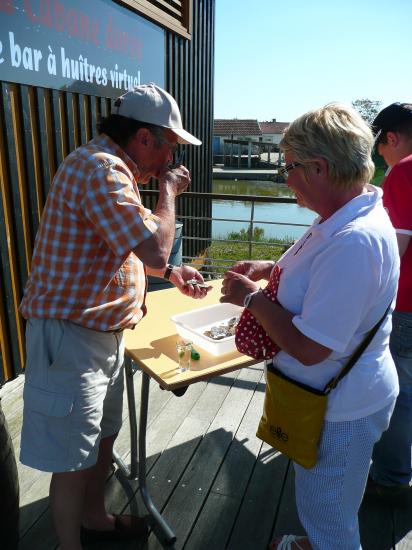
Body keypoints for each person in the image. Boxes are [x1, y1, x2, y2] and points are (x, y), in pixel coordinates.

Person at [19, 83, 210, 550]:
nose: (171, 158)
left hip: (101, 334)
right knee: (72, 455)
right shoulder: (101, 170)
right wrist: (168, 192)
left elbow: (137, 250)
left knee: (102, 439)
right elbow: (153, 242)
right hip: (71, 337)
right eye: (170, 146)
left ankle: (95, 519)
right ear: (145, 138)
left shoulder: (112, 170)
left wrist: (171, 270)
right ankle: (71, 544)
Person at [220, 103, 399, 550]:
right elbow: (318, 275)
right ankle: (312, 542)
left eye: (290, 167)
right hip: (335, 398)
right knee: (329, 504)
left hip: (340, 408)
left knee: (331, 521)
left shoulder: (353, 241)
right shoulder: (344, 214)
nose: (285, 177)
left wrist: (251, 298)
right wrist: (269, 266)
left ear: (319, 167)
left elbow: (311, 348)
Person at [367, 103, 412, 495]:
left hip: (410, 305)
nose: (382, 157)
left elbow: (392, 253)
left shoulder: (404, 171)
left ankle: (392, 478)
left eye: (380, 148)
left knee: (400, 392)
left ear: (391, 138)